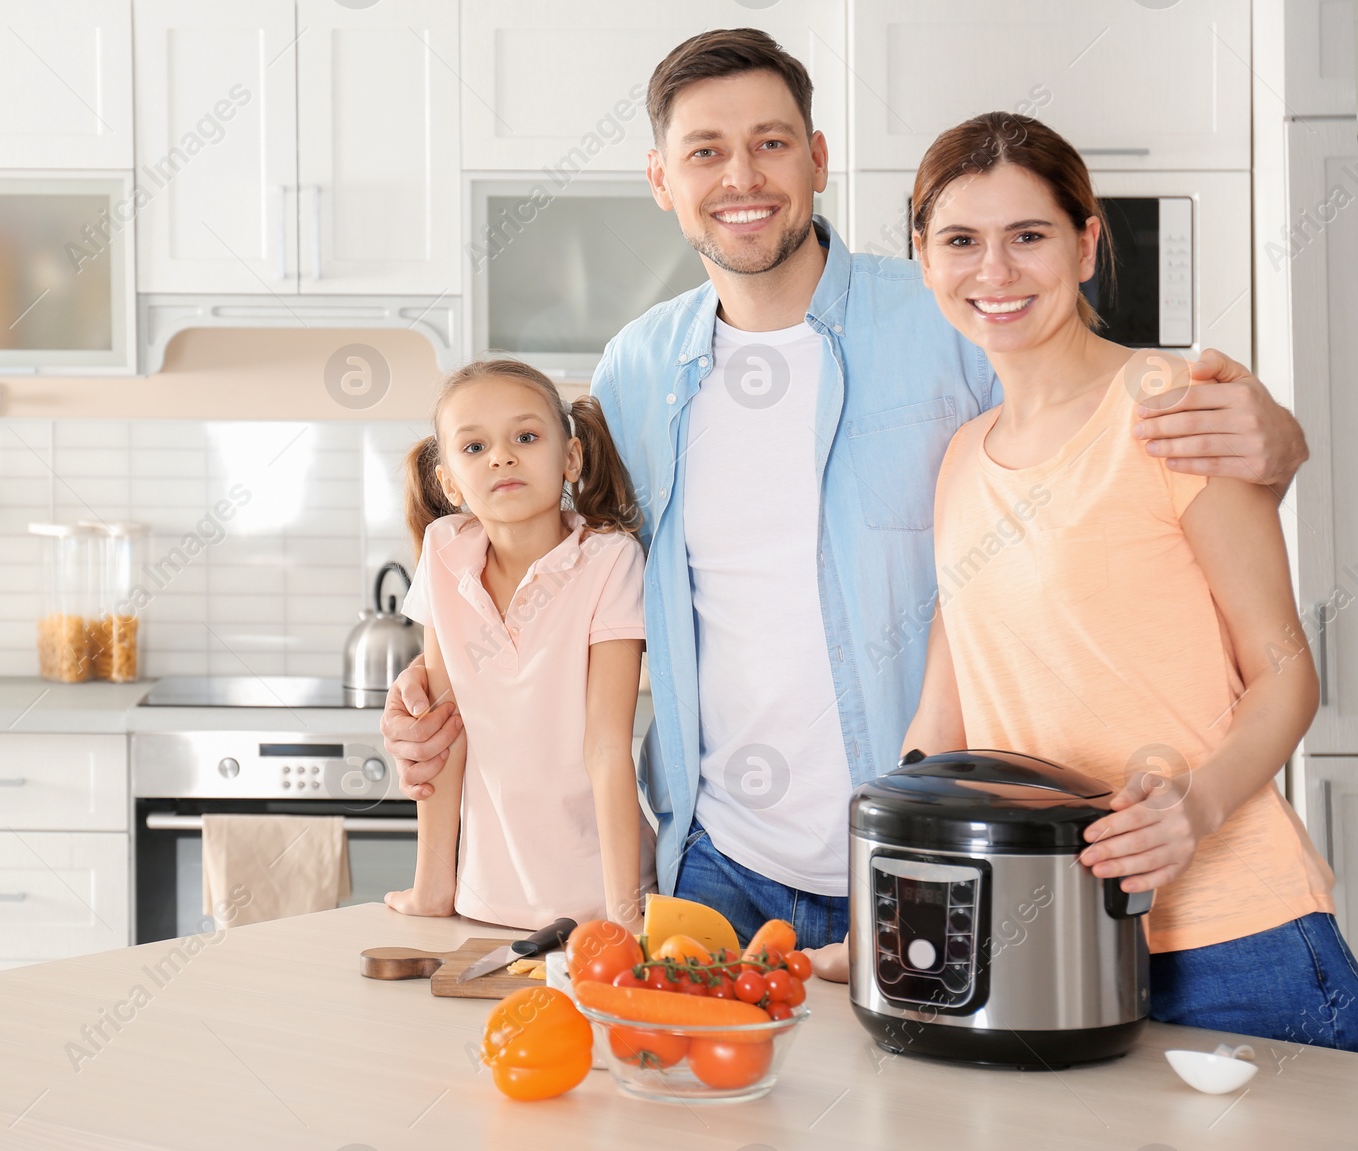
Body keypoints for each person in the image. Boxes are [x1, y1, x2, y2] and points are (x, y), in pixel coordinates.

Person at [383, 30, 1308, 965]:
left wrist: (1278, 444)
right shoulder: (636, 366)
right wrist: (435, 681)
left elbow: (1098, 433)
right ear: (662, 178)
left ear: (817, 159)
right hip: (721, 863)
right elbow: (552, 553)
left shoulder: (952, 313)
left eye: (772, 142)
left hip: (944, 857)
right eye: (705, 150)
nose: (742, 175)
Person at [897, 111, 1356, 1047]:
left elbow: (1285, 670)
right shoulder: (957, 460)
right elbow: (944, 726)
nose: (995, 271)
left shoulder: (1170, 407)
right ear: (923, 257)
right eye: (962, 241)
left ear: (1086, 243)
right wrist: (891, 891)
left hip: (1237, 941)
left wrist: (1197, 805)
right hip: (1048, 935)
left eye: (1028, 235)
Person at [383, 359, 654, 931]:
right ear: (449, 482)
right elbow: (442, 732)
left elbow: (607, 747)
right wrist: (433, 888)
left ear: (571, 458)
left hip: (598, 902)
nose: (501, 457)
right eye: (474, 447)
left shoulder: (609, 560)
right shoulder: (443, 551)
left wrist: (625, 918)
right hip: (482, 903)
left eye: (526, 437)